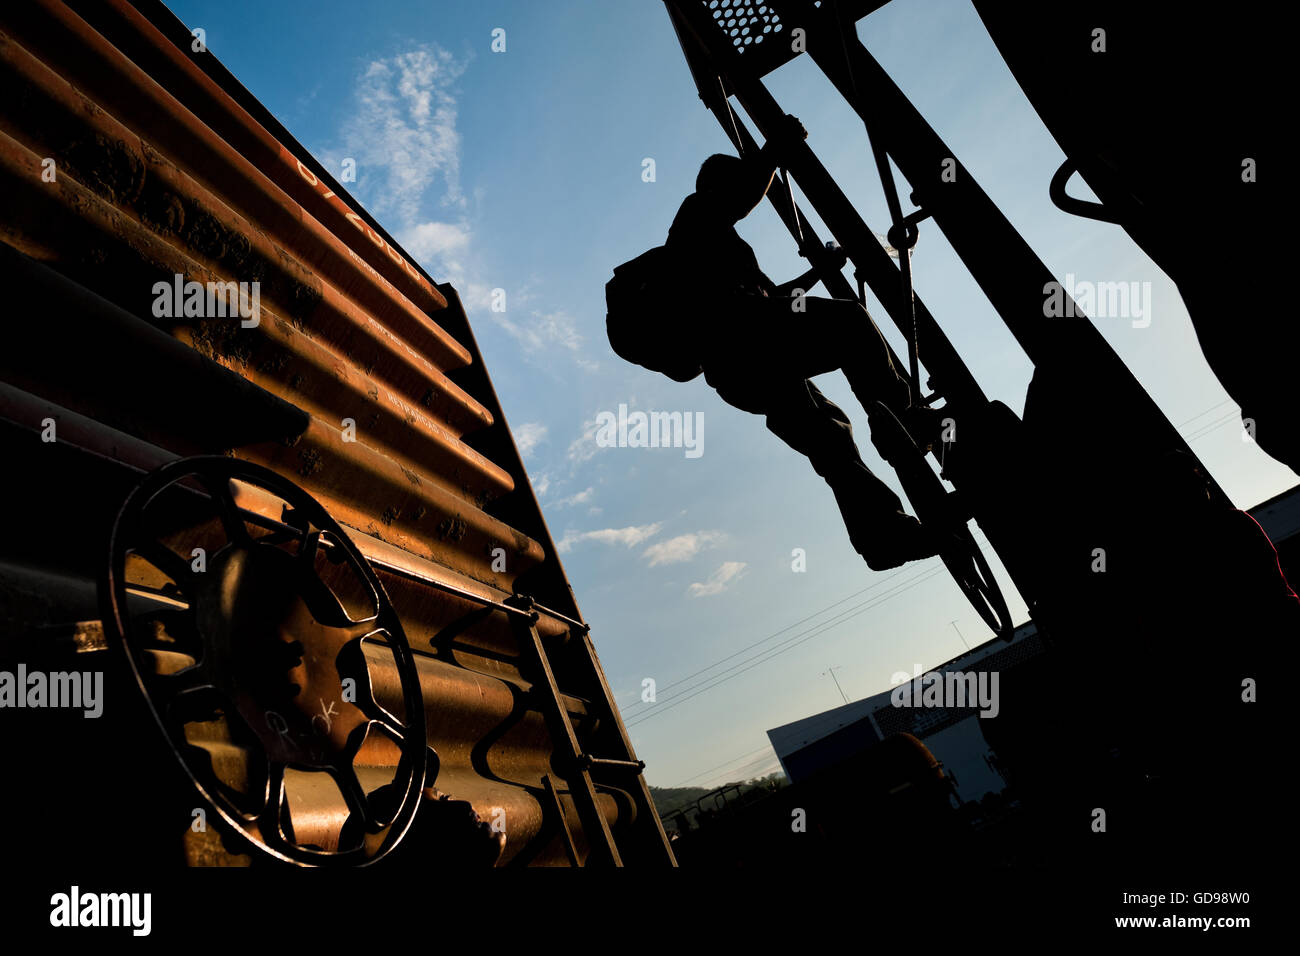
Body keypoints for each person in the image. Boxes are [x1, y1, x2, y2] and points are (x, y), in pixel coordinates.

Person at [661, 117, 940, 570]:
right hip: (751, 344)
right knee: (849, 323)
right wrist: (778, 146)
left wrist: (821, 268)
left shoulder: (717, 251)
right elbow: (744, 193)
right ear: (717, 184)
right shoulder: (697, 213)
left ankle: (885, 537)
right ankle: (907, 418)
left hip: (743, 370)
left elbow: (776, 298)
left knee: (830, 439)